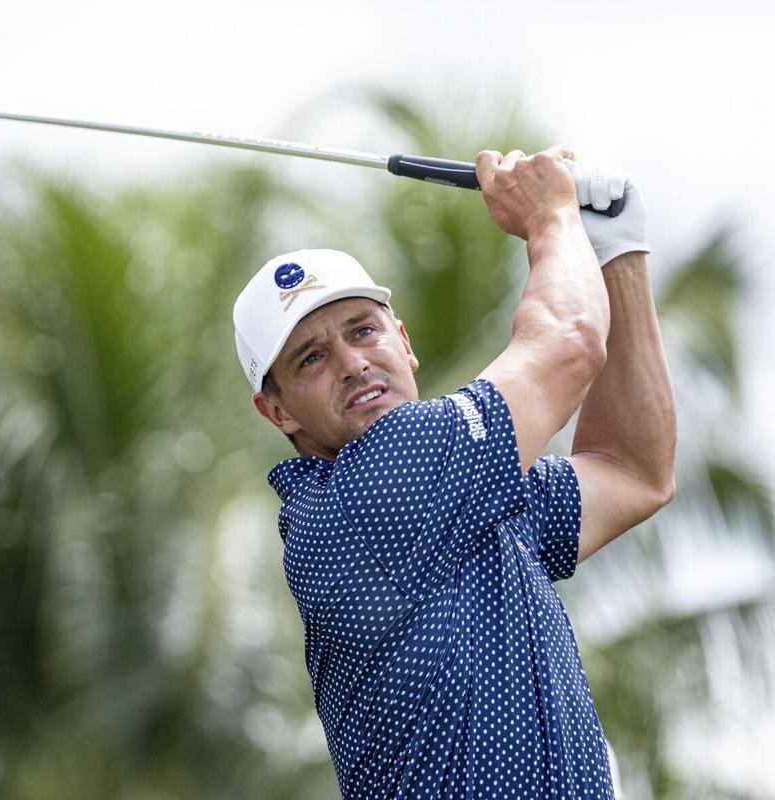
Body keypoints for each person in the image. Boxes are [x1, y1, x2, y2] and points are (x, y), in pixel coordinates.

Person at [231, 146, 676, 798]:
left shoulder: (466, 491)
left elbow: (633, 470)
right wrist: (552, 218)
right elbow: (569, 343)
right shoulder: (368, 494)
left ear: (403, 342)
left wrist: (616, 254)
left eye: (362, 330)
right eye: (310, 359)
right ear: (277, 412)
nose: (353, 364)